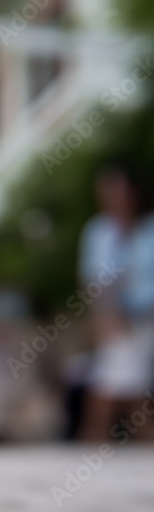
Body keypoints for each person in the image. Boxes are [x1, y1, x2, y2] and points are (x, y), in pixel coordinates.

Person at [77, 165, 154, 442]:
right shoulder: (98, 232)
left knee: (131, 388)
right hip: (115, 319)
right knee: (111, 383)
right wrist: (101, 318)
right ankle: (95, 440)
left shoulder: (148, 230)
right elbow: (91, 280)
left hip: (147, 318)